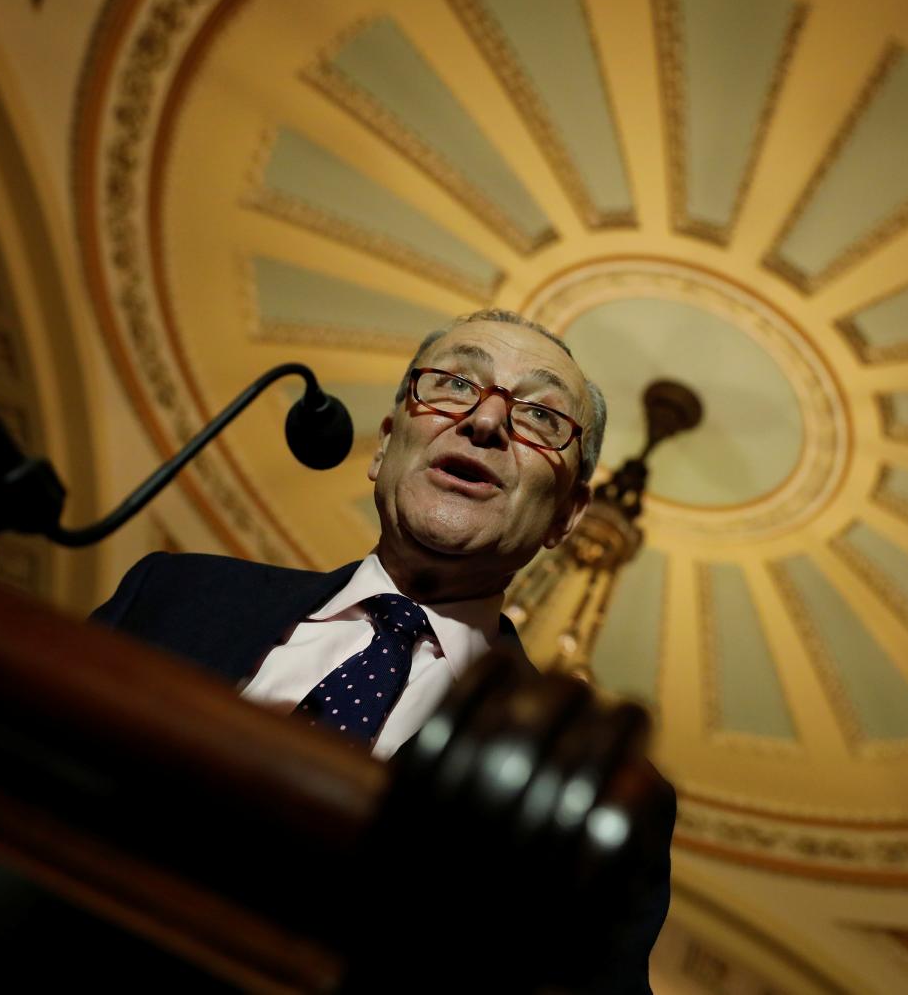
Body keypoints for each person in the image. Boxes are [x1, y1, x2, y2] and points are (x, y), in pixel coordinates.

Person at [92, 309, 672, 992]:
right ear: (384, 444)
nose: (486, 421)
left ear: (567, 516)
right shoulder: (176, 592)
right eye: (455, 383)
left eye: (542, 418)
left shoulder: (593, 789)